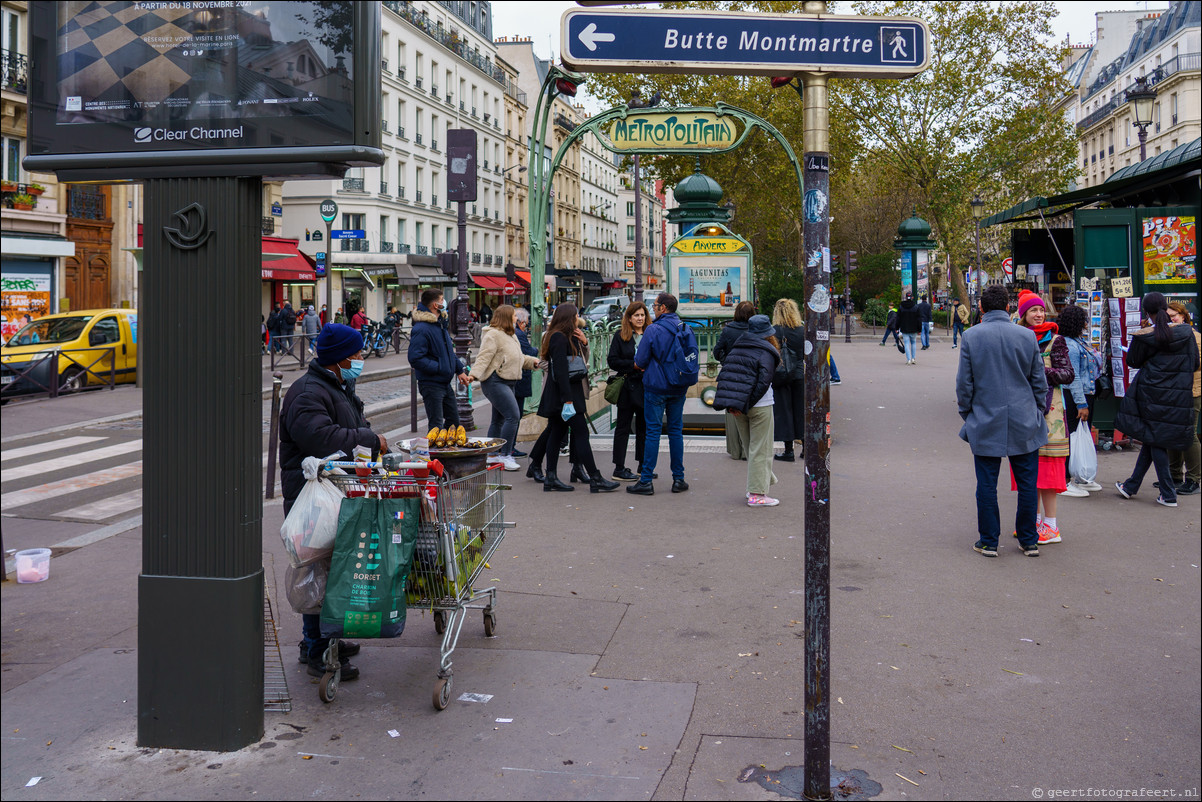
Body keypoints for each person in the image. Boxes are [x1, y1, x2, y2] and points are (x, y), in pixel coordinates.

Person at [280, 323, 387, 680]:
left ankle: (327, 639)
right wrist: (369, 438)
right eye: (356, 355)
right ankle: (317, 651)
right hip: (311, 499)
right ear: (340, 358)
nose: (360, 359)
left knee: (331, 568)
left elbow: (346, 426)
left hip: (334, 493)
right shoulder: (308, 392)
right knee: (316, 572)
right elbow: (321, 438)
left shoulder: (336, 385)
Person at [956, 285, 1048, 558]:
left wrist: (967, 413)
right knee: (1028, 483)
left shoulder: (971, 336)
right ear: (1008, 306)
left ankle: (989, 541)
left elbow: (964, 383)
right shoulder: (1026, 336)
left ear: (981, 308)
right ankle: (1029, 540)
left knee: (986, 483)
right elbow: (1038, 381)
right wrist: (1037, 410)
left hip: (985, 417)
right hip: (1024, 417)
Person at [1115, 292, 1200, 508]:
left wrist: (1143, 334)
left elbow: (1133, 360)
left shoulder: (1147, 335)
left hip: (1151, 394)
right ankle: (1130, 486)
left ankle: (1168, 494)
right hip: (1177, 394)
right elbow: (1194, 363)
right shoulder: (1186, 333)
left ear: (1147, 312)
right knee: (1153, 438)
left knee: (1154, 439)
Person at [537, 303, 619, 493]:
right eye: (575, 316)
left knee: (557, 433)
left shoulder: (564, 336)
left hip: (564, 394)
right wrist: (567, 400)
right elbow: (561, 371)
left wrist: (583, 342)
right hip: (565, 395)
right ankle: (595, 477)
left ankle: (551, 477)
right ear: (568, 318)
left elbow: (578, 362)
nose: (577, 319)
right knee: (581, 433)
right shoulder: (558, 337)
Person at [1013, 290, 1074, 544]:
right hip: (1024, 411)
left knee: (1049, 472)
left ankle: (1051, 526)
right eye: (1032, 311)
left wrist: (1039, 371)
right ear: (1023, 315)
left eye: (1040, 310)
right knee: (1029, 471)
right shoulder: (1018, 337)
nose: (1038, 315)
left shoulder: (1056, 340)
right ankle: (1033, 521)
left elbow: (1067, 374)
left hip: (1050, 415)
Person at [628, 292, 697, 496]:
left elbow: (639, 362)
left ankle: (646, 480)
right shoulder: (685, 328)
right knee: (676, 431)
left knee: (653, 433)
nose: (654, 308)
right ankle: (679, 479)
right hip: (679, 386)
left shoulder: (653, 330)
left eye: (656, 305)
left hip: (656, 387)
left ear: (663, 308)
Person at [713, 314, 782, 506]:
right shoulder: (766, 352)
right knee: (761, 449)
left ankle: (757, 484)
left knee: (752, 448)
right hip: (760, 405)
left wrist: (736, 405)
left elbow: (728, 377)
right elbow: (763, 383)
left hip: (738, 407)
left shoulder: (736, 348)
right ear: (768, 334)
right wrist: (748, 403)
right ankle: (757, 494)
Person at [468, 305, 539, 471]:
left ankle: (492, 455)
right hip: (495, 380)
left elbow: (519, 357)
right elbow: (483, 357)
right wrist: (473, 375)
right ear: (507, 317)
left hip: (508, 381)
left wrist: (534, 362)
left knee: (499, 420)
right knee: (513, 416)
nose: (517, 319)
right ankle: (505, 455)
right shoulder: (493, 334)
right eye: (514, 316)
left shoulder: (510, 334)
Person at [408, 289, 471, 430]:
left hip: (444, 382)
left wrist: (459, 370)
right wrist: (440, 368)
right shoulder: (422, 328)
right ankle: (434, 451)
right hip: (431, 384)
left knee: (454, 422)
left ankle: (449, 449)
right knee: (436, 425)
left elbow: (448, 352)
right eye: (442, 299)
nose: (444, 302)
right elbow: (415, 358)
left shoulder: (440, 324)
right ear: (435, 305)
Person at [1056, 305, 1101, 496]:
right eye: (1083, 319)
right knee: (1072, 437)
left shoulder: (1078, 341)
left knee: (1079, 435)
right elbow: (1072, 377)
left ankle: (1079, 476)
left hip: (1086, 394)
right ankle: (1064, 480)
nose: (1086, 323)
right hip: (1076, 397)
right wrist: (1081, 404)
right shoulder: (1070, 345)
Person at [607, 301, 650, 481]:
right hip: (626, 385)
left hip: (646, 385)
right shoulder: (620, 336)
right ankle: (619, 467)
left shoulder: (650, 334)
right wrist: (632, 365)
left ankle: (642, 465)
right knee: (623, 427)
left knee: (644, 427)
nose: (640, 318)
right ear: (629, 318)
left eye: (642, 315)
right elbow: (612, 360)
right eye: (636, 316)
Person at [1163, 301, 1200, 496]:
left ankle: (1194, 479)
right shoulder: (1169, 336)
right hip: (1174, 392)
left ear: (1183, 316)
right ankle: (1175, 475)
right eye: (1168, 317)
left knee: (1189, 434)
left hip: (1191, 392)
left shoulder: (1195, 337)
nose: (1171, 320)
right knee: (1173, 432)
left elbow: (1197, 364)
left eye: (1174, 316)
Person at [714, 301, 756, 461]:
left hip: (731, 376)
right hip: (750, 375)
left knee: (732, 413)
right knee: (750, 412)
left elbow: (717, 351)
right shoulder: (755, 331)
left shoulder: (728, 330)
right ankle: (748, 451)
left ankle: (736, 450)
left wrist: (728, 362)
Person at [771, 298, 805, 462]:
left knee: (784, 412)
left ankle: (788, 451)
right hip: (799, 375)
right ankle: (806, 448)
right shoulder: (801, 330)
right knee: (800, 411)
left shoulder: (774, 331)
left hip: (781, 375)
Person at [512, 308, 539, 458]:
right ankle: (510, 448)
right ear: (520, 322)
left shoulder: (516, 333)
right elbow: (527, 352)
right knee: (515, 414)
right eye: (526, 324)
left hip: (517, 379)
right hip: (519, 379)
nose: (525, 327)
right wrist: (535, 349)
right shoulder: (519, 335)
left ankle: (507, 448)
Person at [896, 293, 921, 365]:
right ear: (912, 297)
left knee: (906, 343)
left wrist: (897, 328)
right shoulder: (916, 307)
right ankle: (913, 358)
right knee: (913, 343)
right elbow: (919, 319)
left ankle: (908, 359)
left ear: (906, 298)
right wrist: (919, 329)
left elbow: (898, 319)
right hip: (914, 328)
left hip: (904, 328)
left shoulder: (901, 307)